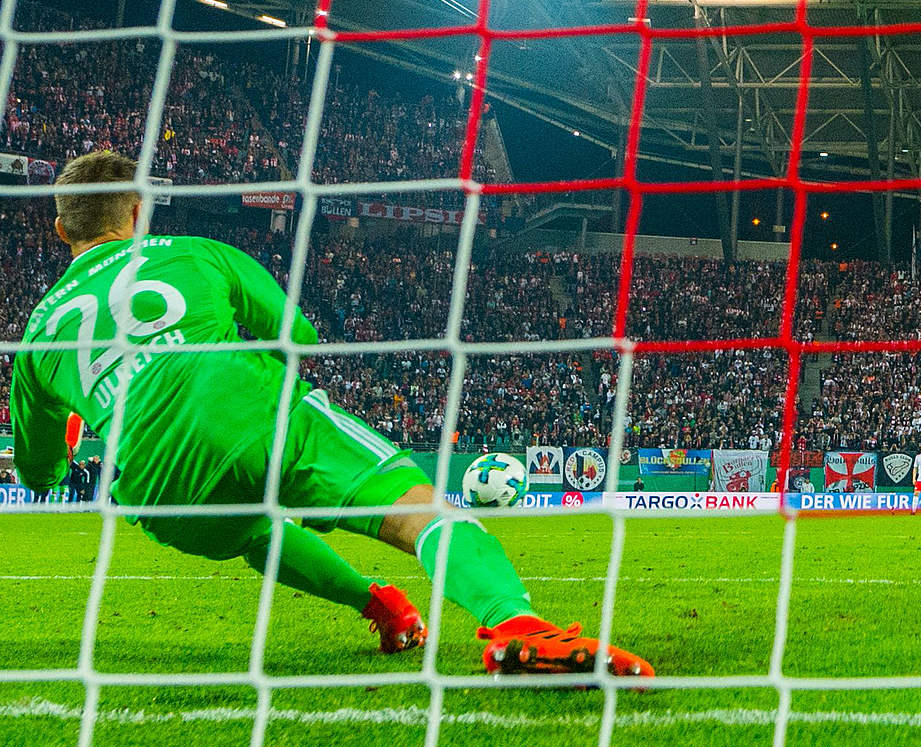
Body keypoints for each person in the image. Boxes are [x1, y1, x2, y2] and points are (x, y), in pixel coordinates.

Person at [10, 152, 651, 677]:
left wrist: (72, 433)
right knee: (419, 513)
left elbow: (39, 477)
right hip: (253, 410)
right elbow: (300, 334)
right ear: (138, 210)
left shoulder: (37, 337)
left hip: (155, 486)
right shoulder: (194, 252)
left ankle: (383, 605)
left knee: (256, 535)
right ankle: (516, 625)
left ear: (62, 231)